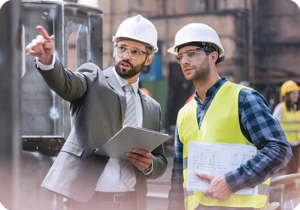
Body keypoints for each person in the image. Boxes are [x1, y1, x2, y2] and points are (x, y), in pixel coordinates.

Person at [25, 15, 167, 210]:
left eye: (135, 51)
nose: (126, 56)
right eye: (122, 47)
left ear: (149, 58)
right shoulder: (93, 78)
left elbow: (160, 159)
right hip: (89, 202)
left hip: (133, 203)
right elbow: (66, 84)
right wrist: (48, 61)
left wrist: (150, 165)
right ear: (115, 47)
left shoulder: (152, 107)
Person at [167, 23, 292, 210]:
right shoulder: (184, 113)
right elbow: (178, 176)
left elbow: (279, 149)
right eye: (180, 55)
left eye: (192, 53)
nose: (184, 60)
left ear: (213, 56)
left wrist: (231, 181)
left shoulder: (244, 99)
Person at [273, 80, 300, 174]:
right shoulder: (281, 108)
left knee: (295, 168)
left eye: (297, 93)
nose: (297, 95)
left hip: (296, 143)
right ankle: (287, 188)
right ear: (287, 95)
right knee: (291, 168)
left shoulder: (295, 108)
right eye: (294, 93)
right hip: (287, 144)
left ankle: (290, 188)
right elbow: (272, 124)